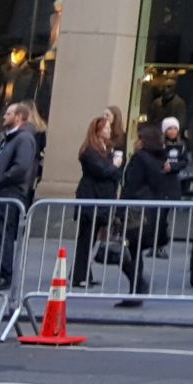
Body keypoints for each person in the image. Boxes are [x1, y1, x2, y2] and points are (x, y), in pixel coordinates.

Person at [114, 122, 178, 307]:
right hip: (150, 212)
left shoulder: (140, 159)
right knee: (134, 251)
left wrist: (119, 210)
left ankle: (138, 286)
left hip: (136, 211)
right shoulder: (160, 159)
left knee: (128, 251)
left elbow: (130, 186)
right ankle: (136, 288)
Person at [0, 102, 38, 290]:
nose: (4, 117)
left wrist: (0, 179)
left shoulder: (24, 139)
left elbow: (21, 167)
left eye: (8, 113)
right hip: (4, 192)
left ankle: (4, 274)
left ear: (18, 117)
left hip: (11, 192)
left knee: (4, 234)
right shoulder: (10, 138)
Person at [74, 111, 124, 286]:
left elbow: (113, 174)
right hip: (91, 198)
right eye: (107, 128)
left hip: (102, 198)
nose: (109, 131)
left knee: (92, 238)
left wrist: (114, 168)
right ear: (98, 131)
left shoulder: (106, 149)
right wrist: (115, 165)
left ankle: (84, 274)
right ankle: (79, 276)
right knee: (86, 238)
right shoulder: (89, 151)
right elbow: (103, 171)